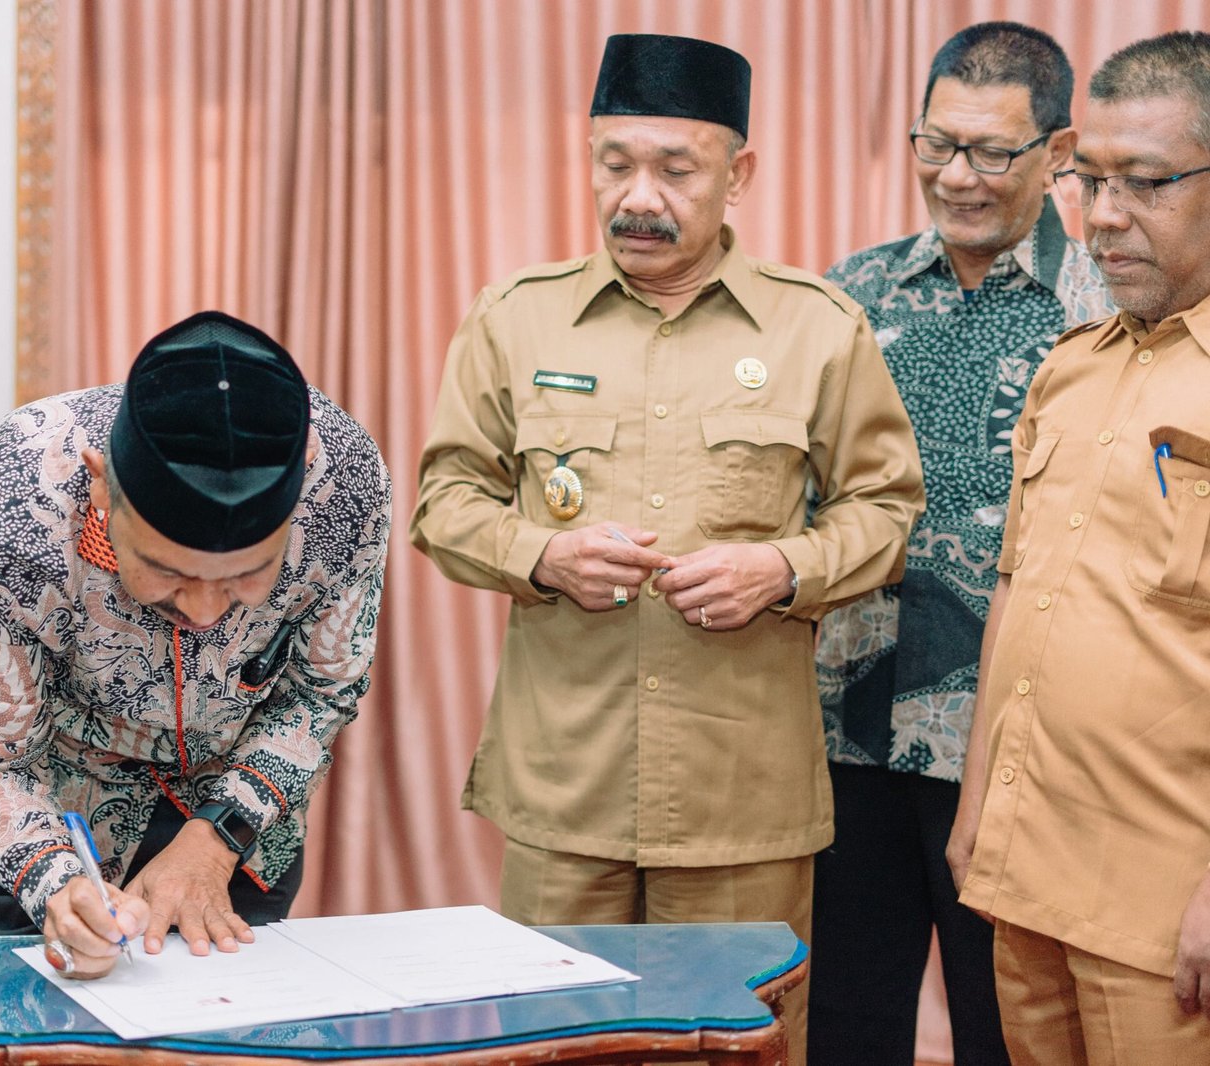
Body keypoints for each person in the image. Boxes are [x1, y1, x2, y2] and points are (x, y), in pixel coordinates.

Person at [410, 33, 924, 1061]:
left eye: (676, 170)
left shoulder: (817, 328)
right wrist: (539, 554)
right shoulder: (517, 319)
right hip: (567, 784)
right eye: (615, 163)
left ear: (738, 174)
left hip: (739, 794)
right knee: (552, 1045)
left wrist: (783, 569)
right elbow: (443, 500)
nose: (637, 197)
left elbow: (885, 507)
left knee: (733, 1046)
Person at [0, 309, 390, 979]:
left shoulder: (345, 485)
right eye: (169, 574)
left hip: (235, 793)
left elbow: (321, 690)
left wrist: (217, 839)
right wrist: (58, 888)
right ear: (102, 484)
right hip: (38, 799)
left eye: (246, 577)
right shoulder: (15, 496)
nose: (205, 611)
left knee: (228, 1023)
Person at [810, 23, 1112, 1066]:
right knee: (842, 1027)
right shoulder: (849, 294)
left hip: (1017, 754)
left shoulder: (1103, 309)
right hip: (843, 734)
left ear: (1059, 153)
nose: (956, 176)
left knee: (1008, 1033)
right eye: (936, 144)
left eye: (990, 151)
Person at [948, 30, 1210, 1064]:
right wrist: (976, 804)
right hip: (1027, 871)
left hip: (1164, 908)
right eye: (1090, 180)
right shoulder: (1070, 368)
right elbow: (1018, 598)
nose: (1103, 216)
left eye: (1146, 182)